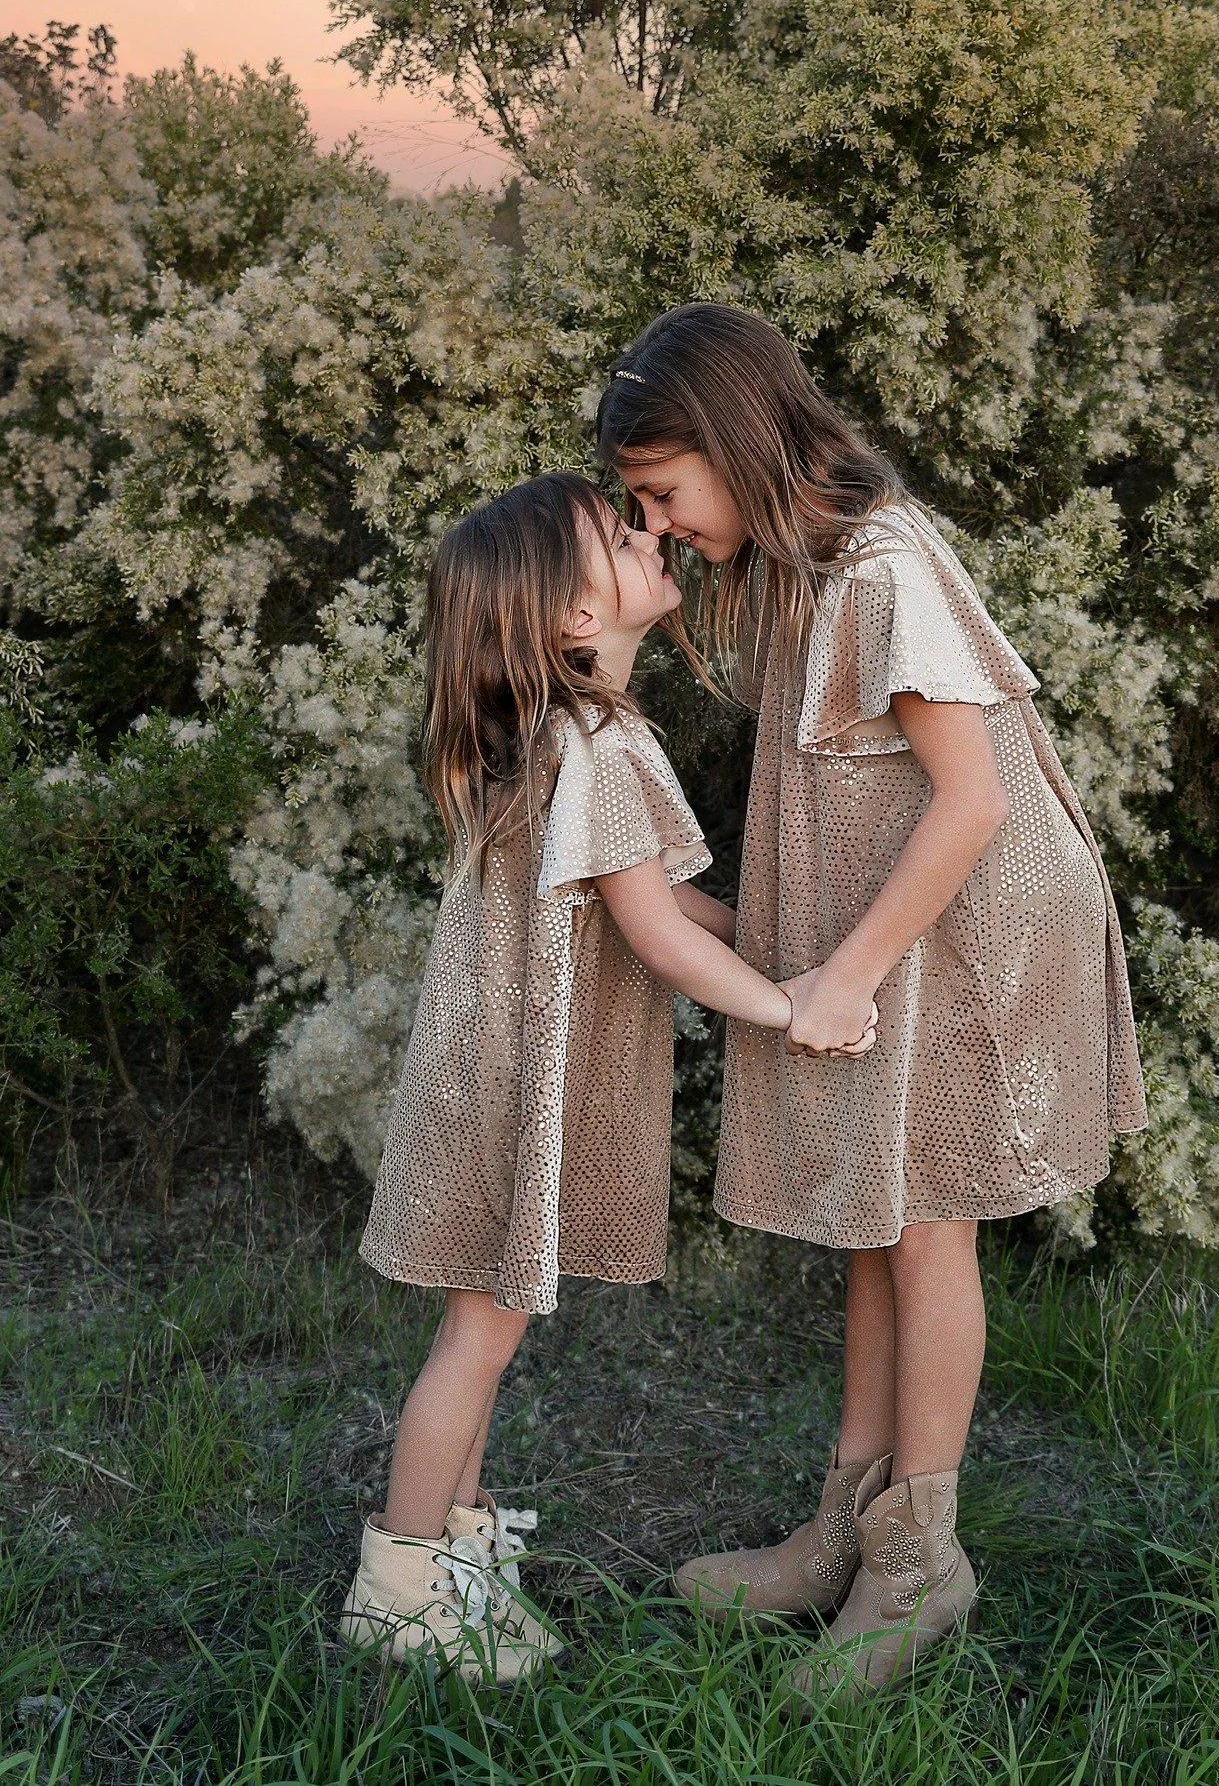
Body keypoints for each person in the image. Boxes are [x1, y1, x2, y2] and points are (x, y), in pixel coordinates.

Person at [598, 307, 1148, 1703]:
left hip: (973, 926)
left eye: (663, 493)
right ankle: (847, 1521)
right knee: (870, 1206)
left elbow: (969, 801)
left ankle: (923, 1558)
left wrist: (840, 973)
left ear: (731, 441)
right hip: (899, 921)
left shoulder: (888, 566)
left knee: (925, 1222)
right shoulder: (809, 569)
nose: (655, 527)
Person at [339, 470, 874, 1685]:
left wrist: (773, 934)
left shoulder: (559, 737)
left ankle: (458, 1556)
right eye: (617, 534)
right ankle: (403, 1587)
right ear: (576, 620)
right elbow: (658, 934)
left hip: (490, 1076)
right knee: (475, 1339)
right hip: (508, 1090)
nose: (649, 534)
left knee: (488, 1327)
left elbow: (662, 899)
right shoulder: (598, 740)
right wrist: (793, 1004)